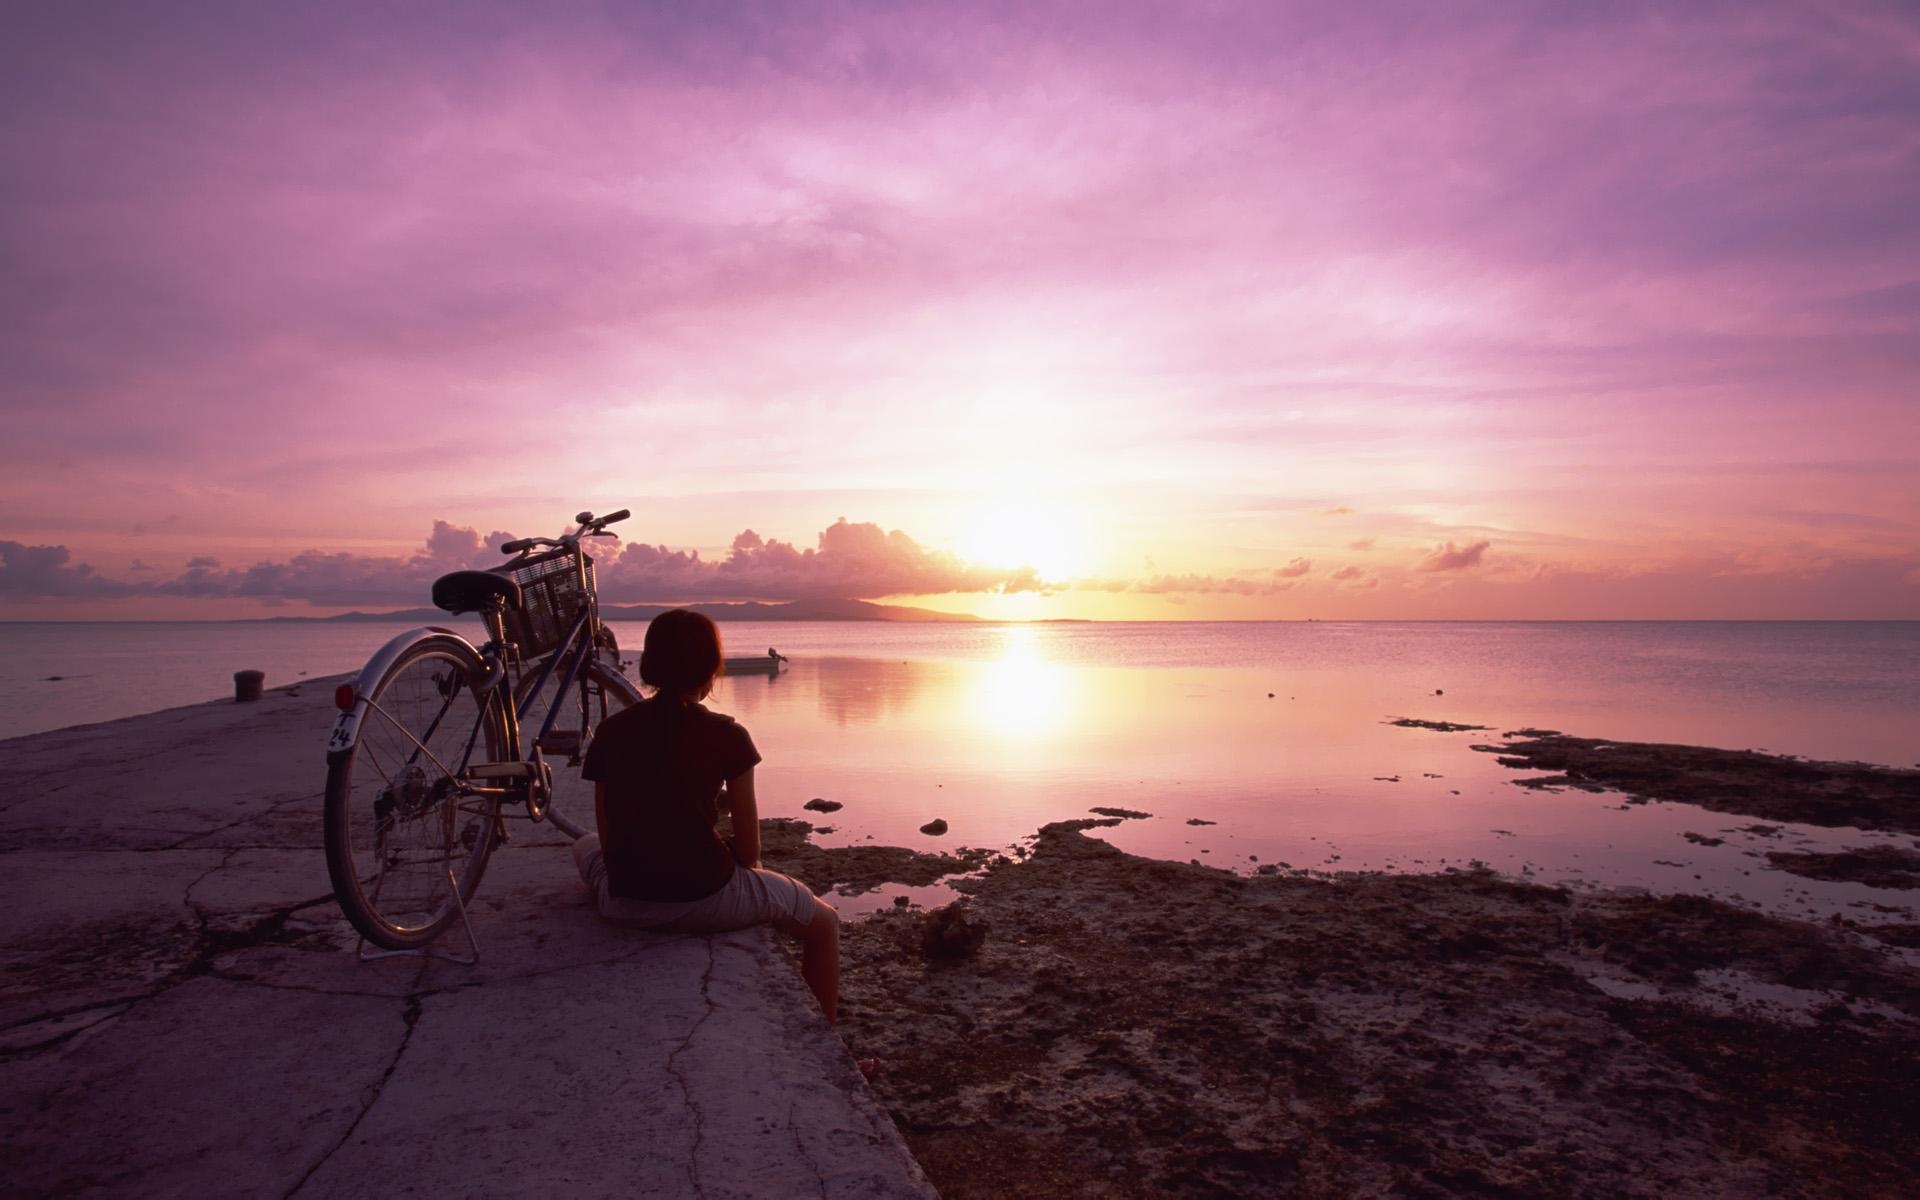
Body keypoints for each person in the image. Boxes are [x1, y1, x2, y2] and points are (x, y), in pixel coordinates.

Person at [573, 609, 841, 1021]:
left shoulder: (611, 732)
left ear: (649, 663)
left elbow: (609, 842)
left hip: (622, 900)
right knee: (825, 924)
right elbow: (750, 851)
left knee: (583, 845)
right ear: (711, 667)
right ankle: (828, 1032)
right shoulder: (728, 735)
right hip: (705, 899)